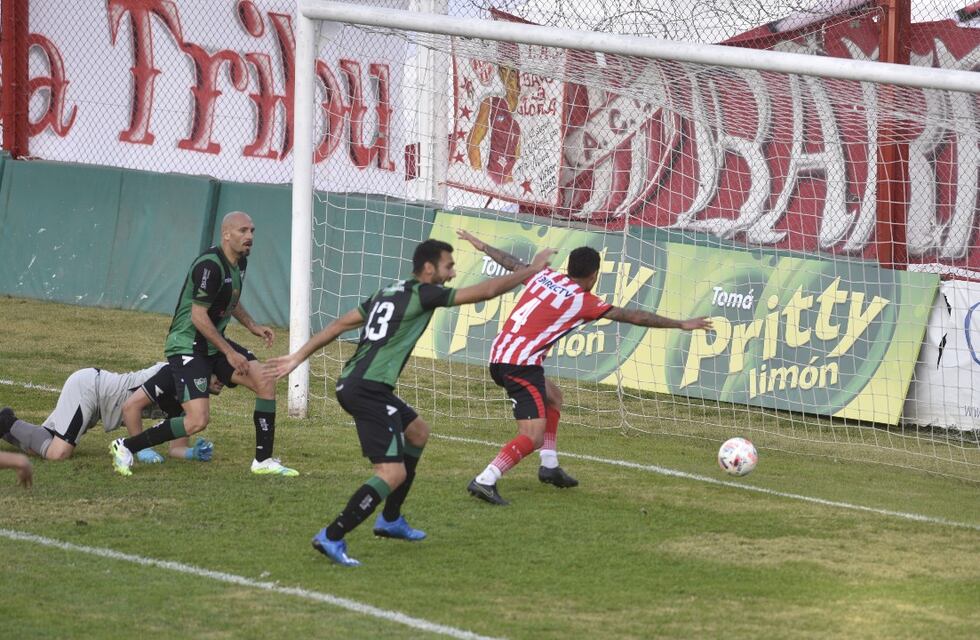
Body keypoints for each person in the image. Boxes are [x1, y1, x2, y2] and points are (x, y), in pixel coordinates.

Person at [268, 238, 555, 567]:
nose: (452, 273)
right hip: (367, 389)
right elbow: (486, 291)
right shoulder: (425, 293)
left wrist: (296, 358)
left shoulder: (388, 292)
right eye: (449, 266)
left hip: (360, 384)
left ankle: (390, 520)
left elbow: (336, 326)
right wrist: (532, 271)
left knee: (417, 432)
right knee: (391, 472)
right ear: (429, 268)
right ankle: (332, 535)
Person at [456, 230, 713, 506]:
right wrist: (680, 324)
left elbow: (511, 262)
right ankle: (486, 479)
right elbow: (633, 316)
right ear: (594, 275)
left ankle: (549, 465)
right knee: (532, 436)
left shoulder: (543, 275)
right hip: (519, 365)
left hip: (501, 355)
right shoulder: (583, 300)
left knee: (553, 397)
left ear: (568, 267)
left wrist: (481, 244)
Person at [109, 211, 295, 477]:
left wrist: (252, 325)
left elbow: (230, 297)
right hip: (187, 345)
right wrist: (229, 352)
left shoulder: (239, 262)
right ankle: (125, 445)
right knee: (197, 421)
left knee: (265, 381)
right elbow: (198, 316)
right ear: (226, 235)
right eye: (243, 231)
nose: (250, 237)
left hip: (210, 344)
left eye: (252, 231)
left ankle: (263, 461)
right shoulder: (209, 266)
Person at [0, 364, 215, 463]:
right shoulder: (173, 373)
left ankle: (5, 424)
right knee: (58, 454)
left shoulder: (193, 400)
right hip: (89, 389)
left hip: (99, 407)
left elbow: (176, 448)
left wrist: (191, 453)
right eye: (219, 373)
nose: (223, 381)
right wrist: (140, 449)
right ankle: (5, 421)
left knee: (42, 449)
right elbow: (130, 408)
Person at [467, 59, 522, 186]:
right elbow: (473, 143)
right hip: (491, 179)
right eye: (503, 70)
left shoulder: (520, 117)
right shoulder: (491, 103)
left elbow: (516, 157)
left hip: (508, 181)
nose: (508, 76)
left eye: (512, 72)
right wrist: (481, 179)